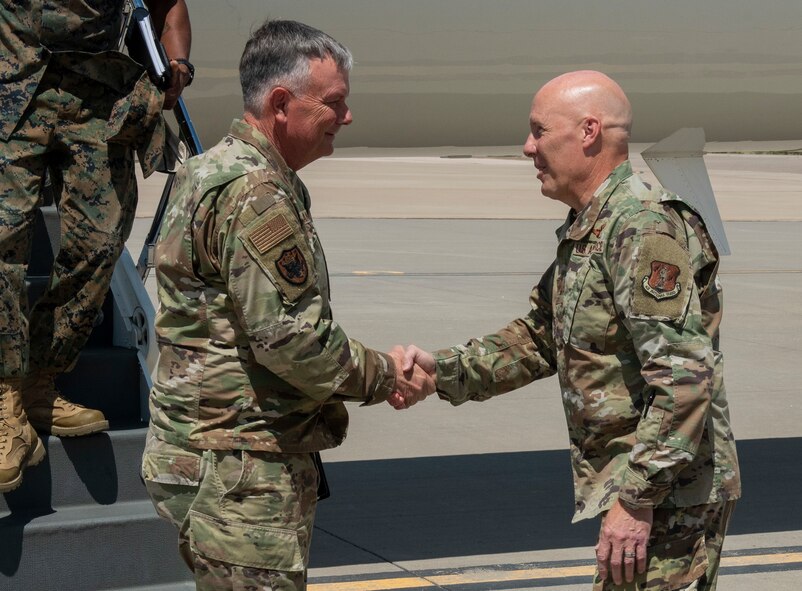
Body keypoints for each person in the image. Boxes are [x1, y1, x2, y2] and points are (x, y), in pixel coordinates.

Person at [398, 71, 741, 591]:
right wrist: (440, 371)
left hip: (670, 496)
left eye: (539, 131)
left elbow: (686, 379)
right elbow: (539, 337)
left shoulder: (641, 226)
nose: (527, 147)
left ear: (588, 132)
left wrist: (635, 499)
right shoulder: (592, 228)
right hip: (642, 489)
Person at [141, 19, 433, 590]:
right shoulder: (256, 194)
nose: (346, 117)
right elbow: (294, 339)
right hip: (242, 465)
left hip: (210, 452)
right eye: (334, 103)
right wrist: (386, 376)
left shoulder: (212, 169)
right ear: (281, 103)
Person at [0, 1, 192, 492]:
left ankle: (41, 380)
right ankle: (6, 399)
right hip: (11, 91)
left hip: (97, 97)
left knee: (101, 240)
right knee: (2, 239)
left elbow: (169, 5)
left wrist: (178, 64)